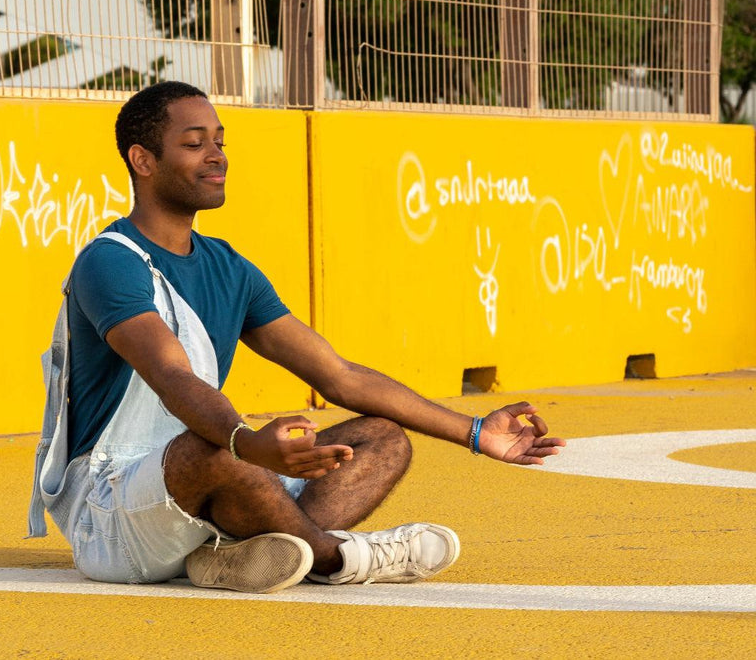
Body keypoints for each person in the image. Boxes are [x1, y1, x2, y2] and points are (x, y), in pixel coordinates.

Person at [28, 81, 565, 594]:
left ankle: (232, 555)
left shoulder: (229, 267)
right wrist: (250, 444)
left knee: (382, 439)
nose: (217, 156)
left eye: (219, 141)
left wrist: (475, 432)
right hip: (114, 510)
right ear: (143, 161)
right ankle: (339, 558)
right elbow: (172, 377)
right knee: (214, 448)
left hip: (210, 485)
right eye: (195, 144)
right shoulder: (111, 262)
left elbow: (339, 375)